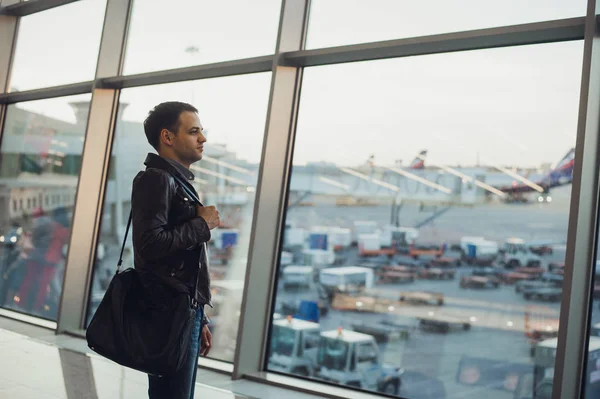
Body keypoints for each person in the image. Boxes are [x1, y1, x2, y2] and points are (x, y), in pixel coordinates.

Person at [131, 102, 220, 399]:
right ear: (167, 137)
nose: (203, 138)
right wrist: (203, 224)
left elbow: (182, 260)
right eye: (193, 131)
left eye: (201, 131)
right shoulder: (156, 180)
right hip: (169, 315)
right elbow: (150, 244)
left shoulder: (176, 180)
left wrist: (199, 318)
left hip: (182, 312)